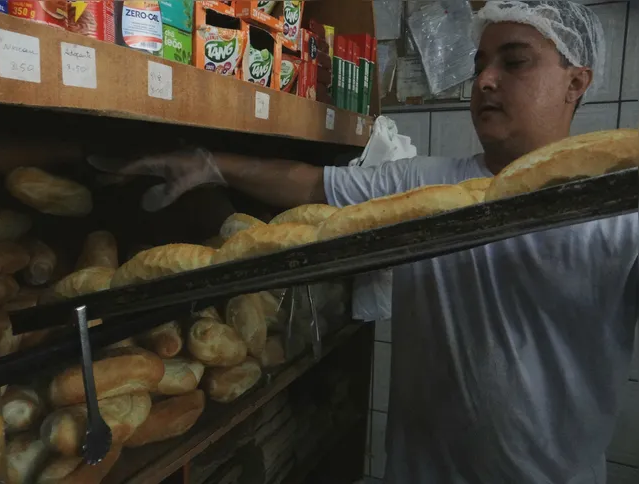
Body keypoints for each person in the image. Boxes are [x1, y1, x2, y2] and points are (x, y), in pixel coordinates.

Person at [92, 1, 638, 483]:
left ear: (576, 82)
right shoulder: (427, 184)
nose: (485, 81)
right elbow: (311, 184)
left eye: (513, 62)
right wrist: (208, 165)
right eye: (479, 66)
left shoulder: (621, 215)